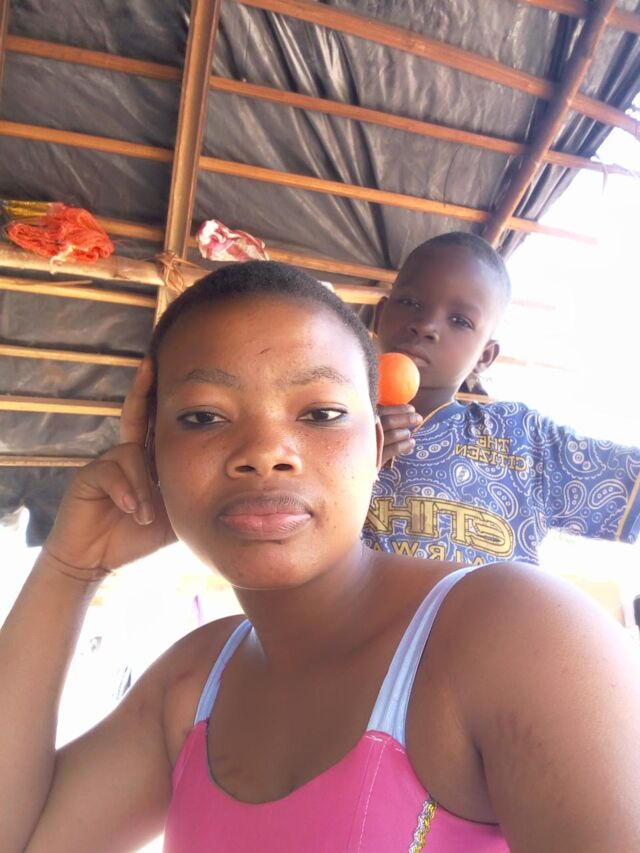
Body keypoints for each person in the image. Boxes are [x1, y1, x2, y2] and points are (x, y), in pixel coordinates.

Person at [1, 260, 639, 853]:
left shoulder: (517, 635)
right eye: (202, 418)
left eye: (322, 413)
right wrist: (69, 568)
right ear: (151, 452)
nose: (264, 451)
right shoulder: (191, 685)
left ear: (378, 448)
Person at [363, 232, 640, 566]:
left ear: (485, 356)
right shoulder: (325, 418)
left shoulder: (524, 441)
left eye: (460, 321)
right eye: (410, 302)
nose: (426, 326)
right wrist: (352, 457)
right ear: (379, 315)